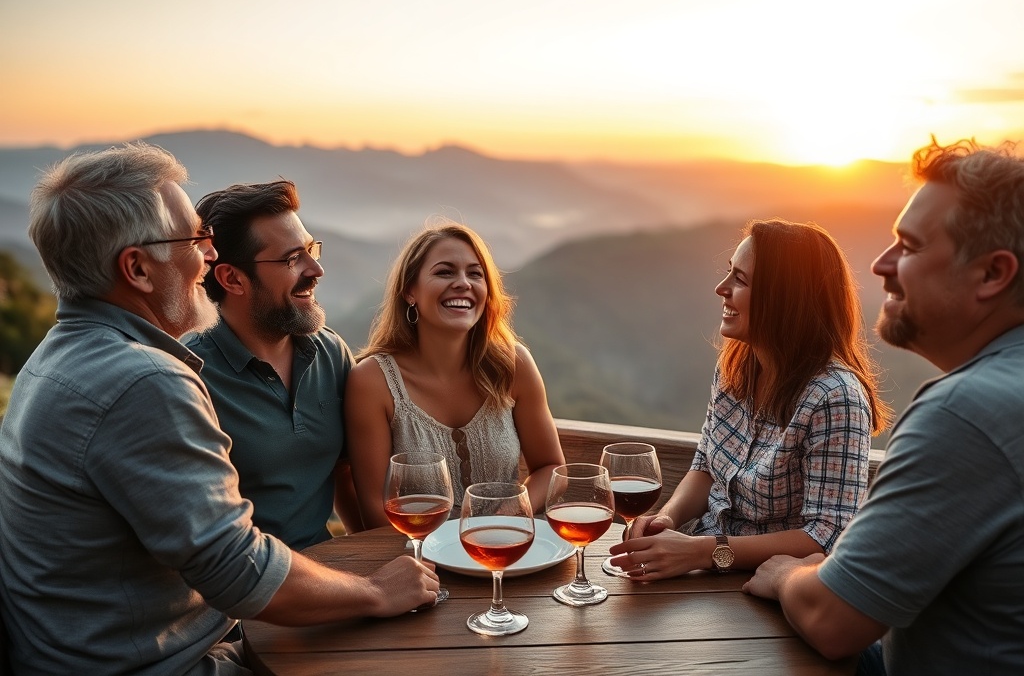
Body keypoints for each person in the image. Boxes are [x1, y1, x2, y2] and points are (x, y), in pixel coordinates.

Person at [0, 143, 439, 675]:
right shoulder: (143, 380)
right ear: (137, 268)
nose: (208, 256)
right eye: (193, 239)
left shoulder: (56, 355)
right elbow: (237, 569)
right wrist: (374, 591)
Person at [744, 140, 1024, 674]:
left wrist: (784, 573)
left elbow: (833, 621)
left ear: (992, 274)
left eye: (910, 247)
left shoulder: (965, 414)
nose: (880, 264)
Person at [609, 219, 890, 579]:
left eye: (740, 280)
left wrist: (702, 552)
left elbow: (828, 536)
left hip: (766, 587)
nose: (720, 288)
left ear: (784, 298)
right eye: (729, 274)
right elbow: (707, 465)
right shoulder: (736, 368)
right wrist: (669, 518)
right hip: (699, 567)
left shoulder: (836, 398)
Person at [345, 221, 565, 528]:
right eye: (445, 272)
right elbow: (375, 505)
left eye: (475, 274)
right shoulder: (372, 382)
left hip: (506, 550)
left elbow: (551, 468)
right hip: (420, 561)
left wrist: (507, 516)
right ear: (410, 291)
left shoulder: (514, 365)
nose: (463, 283)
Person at [184, 180, 361, 550]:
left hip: (336, 575)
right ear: (232, 278)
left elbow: (346, 472)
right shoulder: (187, 376)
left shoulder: (331, 353)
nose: (316, 269)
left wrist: (378, 560)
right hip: (249, 591)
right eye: (293, 258)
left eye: (311, 250)